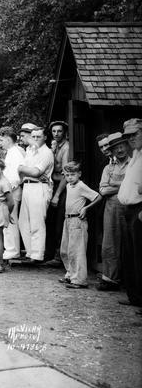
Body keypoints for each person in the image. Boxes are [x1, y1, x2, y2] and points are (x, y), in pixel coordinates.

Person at [59, 162, 102, 289]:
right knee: (65, 250)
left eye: (72, 174)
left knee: (77, 251)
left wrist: (86, 208)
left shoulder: (81, 186)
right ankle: (70, 274)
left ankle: (79, 280)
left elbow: (98, 197)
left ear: (79, 174)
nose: (70, 177)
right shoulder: (68, 186)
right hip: (68, 220)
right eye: (67, 175)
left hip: (77, 221)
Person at [97, 132, 129, 291]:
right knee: (109, 243)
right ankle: (110, 279)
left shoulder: (134, 163)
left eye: (122, 145)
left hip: (130, 207)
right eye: (116, 148)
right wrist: (123, 184)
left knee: (130, 243)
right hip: (112, 208)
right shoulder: (108, 168)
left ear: (127, 145)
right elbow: (103, 190)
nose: (120, 150)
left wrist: (114, 186)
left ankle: (130, 281)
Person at [18, 127, 54, 263]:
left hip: (40, 188)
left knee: (37, 222)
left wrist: (23, 169)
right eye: (33, 137)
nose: (35, 139)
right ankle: (30, 252)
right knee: (23, 221)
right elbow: (24, 171)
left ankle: (37, 255)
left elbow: (35, 172)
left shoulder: (46, 152)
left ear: (45, 137)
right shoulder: (30, 151)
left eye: (38, 136)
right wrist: (25, 170)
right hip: (27, 186)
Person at [118, 118, 142, 307]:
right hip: (129, 210)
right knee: (130, 255)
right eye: (128, 136)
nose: (131, 139)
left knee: (139, 256)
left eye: (135, 134)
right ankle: (135, 297)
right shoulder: (136, 154)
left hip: (139, 211)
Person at [0, 126, 25, 260]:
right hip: (9, 191)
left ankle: (13, 250)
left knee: (11, 219)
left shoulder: (15, 152)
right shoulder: (11, 152)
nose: (0, 143)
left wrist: (7, 190)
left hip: (12, 192)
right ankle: (10, 249)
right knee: (7, 220)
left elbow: (16, 176)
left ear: (8, 139)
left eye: (2, 140)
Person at [46, 120, 71, 265]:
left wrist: (56, 195)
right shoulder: (55, 147)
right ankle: (51, 252)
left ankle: (58, 256)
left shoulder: (66, 148)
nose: (56, 134)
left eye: (59, 131)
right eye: (54, 131)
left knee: (59, 221)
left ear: (64, 132)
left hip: (61, 187)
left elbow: (65, 175)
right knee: (51, 219)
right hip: (53, 184)